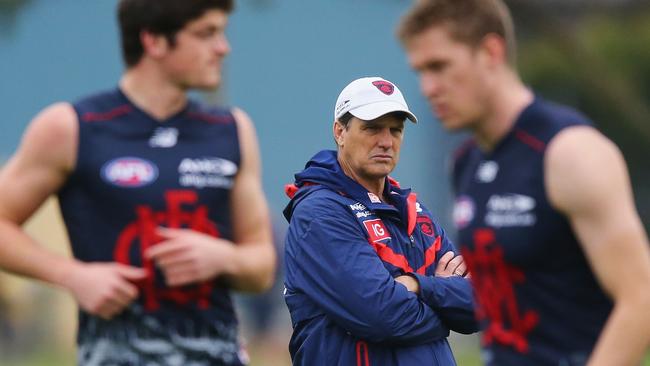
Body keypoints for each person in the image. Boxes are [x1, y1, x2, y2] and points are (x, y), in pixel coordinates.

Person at [0, 0, 276, 364]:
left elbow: (262, 268)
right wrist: (72, 276)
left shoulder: (233, 130)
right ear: (154, 41)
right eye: (207, 33)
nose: (223, 47)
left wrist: (222, 257)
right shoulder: (70, 127)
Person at [397, 1, 650, 365]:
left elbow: (639, 298)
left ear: (490, 52)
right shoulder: (465, 163)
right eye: (420, 71)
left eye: (439, 66)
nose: (427, 88)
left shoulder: (570, 152)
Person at [282, 76, 478, 366]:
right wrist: (444, 308)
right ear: (340, 132)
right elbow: (383, 316)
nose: (386, 142)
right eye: (372, 128)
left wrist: (417, 286)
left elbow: (482, 303)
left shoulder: (415, 211)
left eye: (395, 130)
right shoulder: (320, 212)